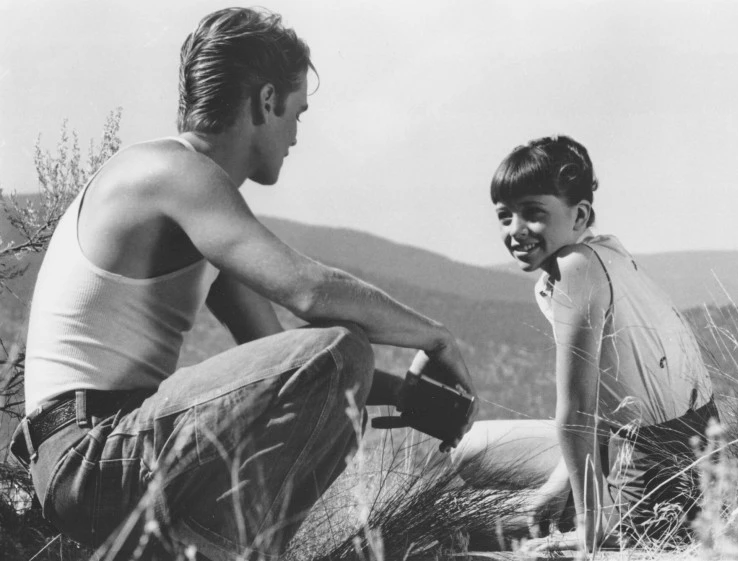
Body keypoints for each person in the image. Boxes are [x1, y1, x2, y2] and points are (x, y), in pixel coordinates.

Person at [10, 7, 477, 560]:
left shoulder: (196, 206)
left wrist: (406, 396)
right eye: (297, 113)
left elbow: (278, 359)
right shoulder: (175, 172)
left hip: (96, 456)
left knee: (338, 380)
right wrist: (436, 338)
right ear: (266, 101)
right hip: (90, 453)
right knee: (342, 350)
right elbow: (309, 292)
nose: (296, 136)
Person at [452, 135, 715, 553]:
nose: (515, 230)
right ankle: (571, 502)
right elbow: (614, 403)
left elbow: (577, 409)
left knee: (460, 520)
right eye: (505, 216)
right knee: (471, 450)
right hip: (693, 450)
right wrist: (559, 484)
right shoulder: (606, 252)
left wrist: (590, 523)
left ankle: (587, 518)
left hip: (649, 472)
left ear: (579, 216)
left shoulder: (574, 268)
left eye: (533, 213)